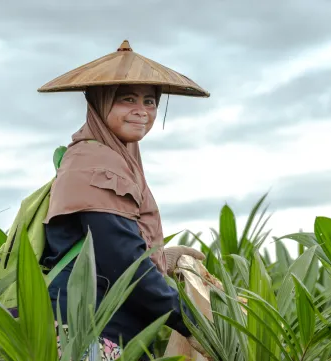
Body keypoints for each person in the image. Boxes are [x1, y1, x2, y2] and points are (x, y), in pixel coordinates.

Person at [37, 40, 211, 360]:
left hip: (111, 330)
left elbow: (106, 242)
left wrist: (160, 257)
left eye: (149, 100)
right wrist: (193, 324)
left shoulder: (113, 156)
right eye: (127, 99)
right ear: (100, 103)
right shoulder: (96, 162)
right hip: (88, 331)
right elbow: (124, 265)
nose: (141, 111)